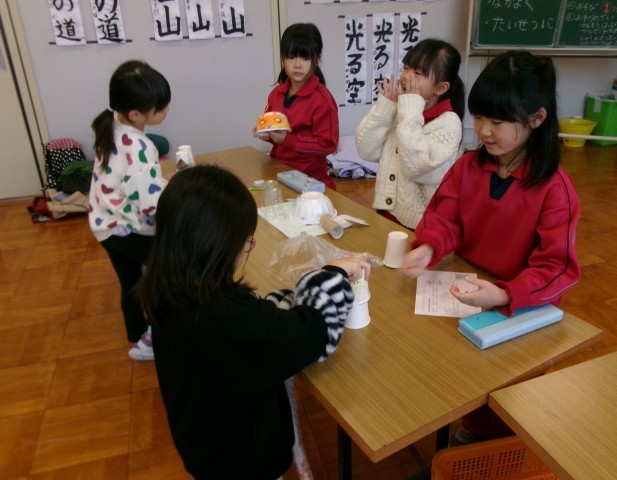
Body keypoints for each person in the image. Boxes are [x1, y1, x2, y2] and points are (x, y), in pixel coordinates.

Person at [136, 165, 370, 479]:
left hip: (203, 444)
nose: (249, 247)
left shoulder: (169, 288)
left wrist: (282, 303)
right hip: (243, 462)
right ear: (215, 246)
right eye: (245, 242)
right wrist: (333, 273)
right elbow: (313, 334)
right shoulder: (224, 318)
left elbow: (258, 323)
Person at [402, 51, 581, 443]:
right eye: (479, 117)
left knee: (508, 397)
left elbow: (556, 268)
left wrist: (504, 293)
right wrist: (428, 247)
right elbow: (446, 216)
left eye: (497, 122)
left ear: (537, 119)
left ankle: (497, 446)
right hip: (469, 292)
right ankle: (471, 432)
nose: (483, 130)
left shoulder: (555, 190)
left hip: (520, 306)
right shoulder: (468, 167)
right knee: (464, 378)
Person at [89, 60, 171, 361]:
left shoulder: (111, 122)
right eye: (160, 107)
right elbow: (150, 203)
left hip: (104, 223)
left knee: (131, 284)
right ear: (136, 114)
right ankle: (157, 338)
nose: (166, 110)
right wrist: (174, 196)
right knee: (165, 279)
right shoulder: (140, 146)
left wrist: (159, 181)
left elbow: (128, 180)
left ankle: (137, 337)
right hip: (130, 229)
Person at [355, 38, 465, 230]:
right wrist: (385, 108)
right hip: (385, 213)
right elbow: (366, 151)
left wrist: (410, 110)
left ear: (441, 88)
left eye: (418, 73)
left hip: (419, 225)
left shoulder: (448, 123)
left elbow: (414, 167)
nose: (405, 76)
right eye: (406, 68)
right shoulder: (403, 111)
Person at [255, 23, 339, 190]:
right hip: (278, 171)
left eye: (305, 58)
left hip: (310, 180)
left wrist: (287, 140)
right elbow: (278, 133)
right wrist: (267, 134)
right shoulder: (276, 94)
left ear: (317, 59)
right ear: (283, 58)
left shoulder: (322, 100)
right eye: (291, 57)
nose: (298, 65)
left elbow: (328, 145)